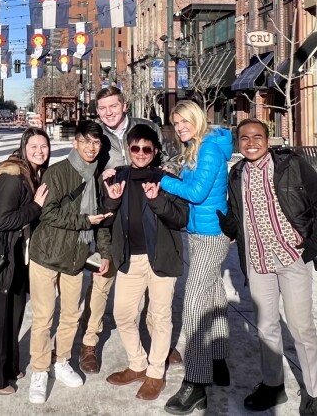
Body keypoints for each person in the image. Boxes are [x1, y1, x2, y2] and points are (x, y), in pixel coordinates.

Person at [219, 119, 317, 416]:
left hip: (291, 258)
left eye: (257, 136)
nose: (251, 142)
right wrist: (228, 223)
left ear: (267, 140)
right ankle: (273, 386)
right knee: (266, 327)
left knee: (301, 327)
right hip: (258, 262)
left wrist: (313, 244)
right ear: (238, 142)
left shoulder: (290, 166)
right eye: (244, 137)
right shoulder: (237, 174)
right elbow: (237, 216)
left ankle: (315, 392)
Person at [80, 86, 174, 375]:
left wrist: (168, 172)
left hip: (144, 209)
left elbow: (165, 158)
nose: (108, 112)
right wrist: (101, 177)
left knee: (153, 285)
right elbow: (87, 173)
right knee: (103, 279)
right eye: (103, 108)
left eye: (113, 106)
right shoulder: (98, 136)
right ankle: (90, 342)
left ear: (124, 105)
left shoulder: (146, 127)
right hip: (111, 212)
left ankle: (158, 344)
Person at [155, 101, 234, 416]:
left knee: (194, 306)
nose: (181, 127)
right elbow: (193, 185)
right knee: (214, 293)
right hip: (200, 232)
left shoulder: (210, 149)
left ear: (198, 119)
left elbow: (198, 192)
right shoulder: (197, 147)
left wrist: (160, 180)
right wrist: (172, 175)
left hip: (212, 235)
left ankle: (196, 383)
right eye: (176, 123)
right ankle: (218, 361)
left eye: (185, 121)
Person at [27, 120, 113, 405]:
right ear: (75, 142)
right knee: (43, 317)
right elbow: (46, 213)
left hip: (76, 256)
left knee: (71, 314)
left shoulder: (97, 175)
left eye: (96, 143)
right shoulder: (58, 172)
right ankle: (39, 369)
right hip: (47, 254)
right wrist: (82, 221)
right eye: (85, 141)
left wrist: (104, 253)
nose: (91, 147)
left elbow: (101, 220)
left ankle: (61, 360)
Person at [102, 124, 189, 402]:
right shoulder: (118, 177)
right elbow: (104, 216)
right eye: (135, 148)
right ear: (128, 150)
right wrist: (111, 200)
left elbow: (181, 218)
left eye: (146, 149)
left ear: (154, 151)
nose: (140, 153)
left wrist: (157, 201)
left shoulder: (166, 179)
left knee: (160, 317)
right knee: (124, 315)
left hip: (161, 257)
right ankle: (137, 364)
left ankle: (155, 373)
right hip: (130, 258)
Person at [0, 128, 50, 394]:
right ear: (23, 147)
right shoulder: (12, 175)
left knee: (13, 314)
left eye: (44, 146)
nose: (40, 151)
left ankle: (8, 366)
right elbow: (3, 220)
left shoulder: (31, 173)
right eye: (34, 146)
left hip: (14, 255)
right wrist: (36, 208)